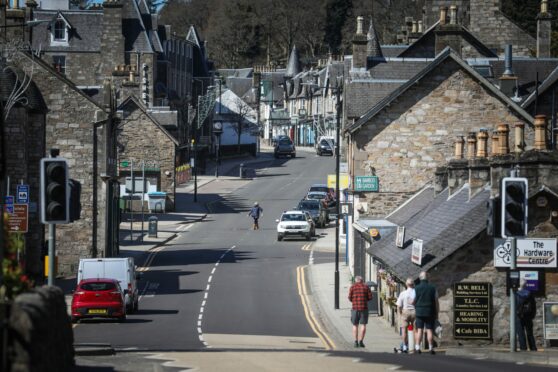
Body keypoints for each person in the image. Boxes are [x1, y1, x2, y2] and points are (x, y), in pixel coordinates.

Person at [414, 271, 438, 354]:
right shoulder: (432, 288)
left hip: (419, 312)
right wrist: (437, 313)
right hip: (429, 311)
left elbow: (414, 300)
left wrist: (416, 306)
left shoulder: (416, 288)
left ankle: (417, 347)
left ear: (420, 278)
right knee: (429, 330)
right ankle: (431, 347)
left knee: (419, 330)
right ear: (427, 278)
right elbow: (436, 301)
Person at [348, 275, 373, 348]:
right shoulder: (366, 287)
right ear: (362, 280)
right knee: (363, 325)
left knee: (355, 325)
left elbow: (349, 298)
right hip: (364, 308)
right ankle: (361, 341)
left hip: (355, 308)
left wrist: (354, 301)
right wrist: (365, 300)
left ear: (355, 280)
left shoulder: (352, 287)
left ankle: (355, 342)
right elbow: (370, 297)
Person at [516, 280, 537, 351]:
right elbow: (533, 305)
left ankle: (523, 348)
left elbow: (515, 306)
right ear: (525, 285)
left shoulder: (516, 293)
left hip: (519, 316)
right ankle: (533, 348)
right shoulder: (530, 293)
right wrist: (532, 315)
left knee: (521, 333)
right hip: (528, 316)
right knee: (530, 333)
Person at [396, 277, 416, 353]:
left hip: (405, 311)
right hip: (414, 311)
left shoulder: (403, 293)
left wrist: (400, 314)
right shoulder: (416, 292)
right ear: (413, 284)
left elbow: (399, 305)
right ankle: (413, 346)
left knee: (404, 330)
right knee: (415, 329)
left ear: (406, 284)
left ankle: (404, 346)